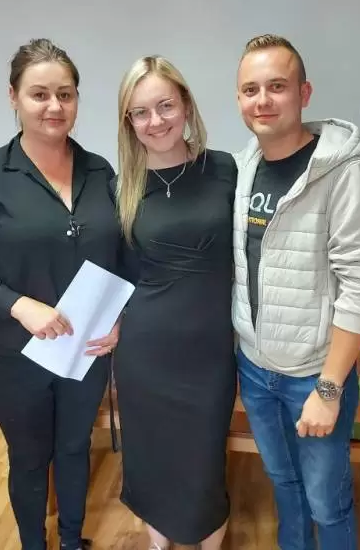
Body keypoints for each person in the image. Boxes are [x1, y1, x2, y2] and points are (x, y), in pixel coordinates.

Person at [0, 38, 122, 550]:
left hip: (86, 346)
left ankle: (71, 541)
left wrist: (119, 318)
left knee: (74, 447)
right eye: (39, 94)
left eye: (65, 94)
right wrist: (20, 306)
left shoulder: (100, 171)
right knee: (28, 456)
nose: (54, 106)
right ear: (13, 97)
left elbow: (119, 253)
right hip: (15, 351)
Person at [232, 34, 360, 550]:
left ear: (304, 93)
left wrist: (329, 388)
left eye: (277, 86)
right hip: (256, 368)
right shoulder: (244, 166)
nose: (263, 100)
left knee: (327, 503)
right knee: (284, 484)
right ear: (239, 99)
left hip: (313, 375)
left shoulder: (342, 171)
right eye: (250, 89)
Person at [111, 56, 237, 550]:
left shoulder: (225, 169)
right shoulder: (122, 187)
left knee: (205, 461)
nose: (155, 121)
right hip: (146, 351)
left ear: (185, 104)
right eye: (140, 112)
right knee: (152, 457)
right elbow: (121, 271)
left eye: (165, 105)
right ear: (129, 121)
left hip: (209, 350)